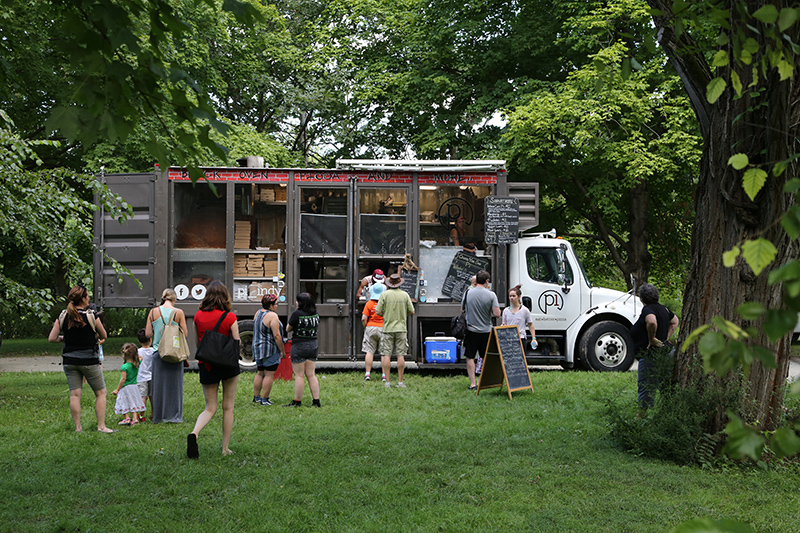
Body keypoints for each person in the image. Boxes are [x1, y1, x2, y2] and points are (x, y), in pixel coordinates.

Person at [48, 285, 114, 433]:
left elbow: (52, 338)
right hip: (89, 360)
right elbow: (104, 335)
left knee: (75, 394)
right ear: (83, 299)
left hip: (69, 360)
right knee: (101, 393)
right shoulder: (91, 315)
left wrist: (64, 338)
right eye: (88, 296)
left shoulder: (63, 315)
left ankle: (78, 428)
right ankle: (101, 426)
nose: (89, 298)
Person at [188, 281, 241, 458]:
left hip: (207, 365)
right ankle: (225, 449)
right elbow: (236, 341)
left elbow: (198, 343)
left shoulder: (198, 316)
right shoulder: (230, 317)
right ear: (225, 296)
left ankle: (194, 433)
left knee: (210, 407)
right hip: (227, 366)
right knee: (228, 407)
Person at [630, 283, 679, 416]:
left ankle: (640, 418)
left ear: (642, 298)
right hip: (666, 352)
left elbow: (651, 322)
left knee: (646, 386)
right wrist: (666, 337)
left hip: (651, 355)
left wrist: (652, 339)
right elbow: (675, 321)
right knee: (665, 385)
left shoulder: (648, 310)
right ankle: (667, 414)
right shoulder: (664, 309)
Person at [145, 288, 189, 424]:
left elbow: (147, 334)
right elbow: (185, 334)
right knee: (175, 387)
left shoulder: (153, 312)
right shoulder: (178, 312)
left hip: (158, 353)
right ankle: (175, 416)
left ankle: (159, 416)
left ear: (163, 298)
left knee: (158, 387)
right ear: (174, 299)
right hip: (174, 353)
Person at [462, 270, 500, 390]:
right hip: (486, 331)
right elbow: (497, 314)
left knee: (470, 357)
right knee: (485, 357)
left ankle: (472, 383)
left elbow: (462, 308)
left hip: (471, 330)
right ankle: (480, 382)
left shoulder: (468, 293)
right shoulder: (491, 295)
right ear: (487, 281)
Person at [375, 273, 415, 388]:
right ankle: (400, 382)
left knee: (386, 355)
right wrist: (403, 314)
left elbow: (378, 311)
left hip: (387, 328)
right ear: (399, 283)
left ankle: (387, 382)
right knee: (400, 355)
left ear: (389, 283)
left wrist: (386, 313)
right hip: (401, 328)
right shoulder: (405, 295)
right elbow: (412, 311)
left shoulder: (384, 295)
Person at [285, 292, 321, 407]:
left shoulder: (297, 314)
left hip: (299, 345)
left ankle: (297, 401)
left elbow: (288, 329)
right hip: (313, 345)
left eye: (297, 301)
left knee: (299, 375)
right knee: (311, 374)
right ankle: (316, 401)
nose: (296, 302)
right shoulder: (315, 313)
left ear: (301, 303)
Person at [252, 294, 285, 406]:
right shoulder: (272, 316)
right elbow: (277, 335)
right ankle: (265, 399)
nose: (276, 306)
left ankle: (256, 397)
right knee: (269, 374)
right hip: (269, 349)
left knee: (260, 373)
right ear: (271, 305)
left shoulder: (258, 313)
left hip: (257, 349)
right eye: (276, 304)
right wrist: (282, 350)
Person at [111, 343, 146, 426]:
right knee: (133, 402)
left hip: (125, 387)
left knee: (123, 402)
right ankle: (134, 419)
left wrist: (117, 389)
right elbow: (141, 357)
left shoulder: (125, 367)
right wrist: (135, 354)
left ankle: (127, 418)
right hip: (134, 387)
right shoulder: (137, 363)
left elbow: (123, 379)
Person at [361, 282, 386, 381]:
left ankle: (367, 374)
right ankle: (384, 375)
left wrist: (366, 327)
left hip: (370, 327)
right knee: (384, 353)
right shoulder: (385, 304)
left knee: (369, 351)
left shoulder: (369, 303)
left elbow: (363, 318)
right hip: (383, 328)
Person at [502, 285, 537, 349]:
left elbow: (530, 325)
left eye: (513, 296)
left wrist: (533, 338)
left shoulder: (525, 310)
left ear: (519, 297)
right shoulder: (506, 311)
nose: (511, 298)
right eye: (510, 296)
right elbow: (504, 324)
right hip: (509, 339)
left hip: (521, 338)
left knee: (521, 358)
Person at [136, 328, 154, 421]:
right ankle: (153, 414)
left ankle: (142, 415)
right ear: (151, 339)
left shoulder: (137, 352)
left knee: (143, 397)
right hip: (152, 376)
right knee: (152, 396)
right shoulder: (153, 351)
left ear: (139, 341)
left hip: (141, 377)